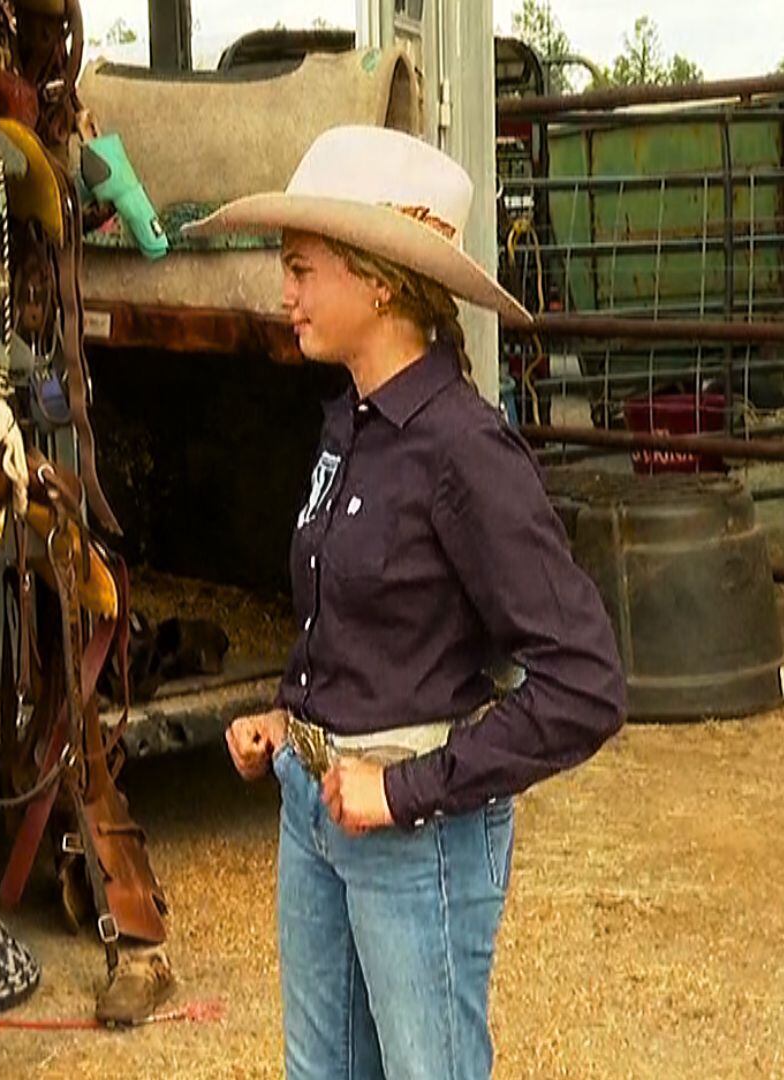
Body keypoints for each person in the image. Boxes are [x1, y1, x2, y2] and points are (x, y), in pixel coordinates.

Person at [192, 126, 628, 1079]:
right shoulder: (349, 423)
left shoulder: (464, 450)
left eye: (302, 269)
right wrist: (291, 715)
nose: (286, 294)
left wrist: (402, 789)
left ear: (381, 280)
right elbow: (376, 622)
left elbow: (585, 684)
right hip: (315, 807)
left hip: (416, 837)